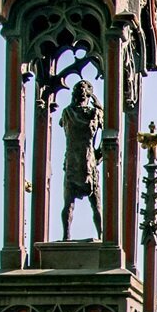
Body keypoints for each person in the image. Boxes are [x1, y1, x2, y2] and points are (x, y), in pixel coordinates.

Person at [60, 79, 104, 240]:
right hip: (87, 160)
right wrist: (100, 153)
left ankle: (66, 236)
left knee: (69, 203)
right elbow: (108, 133)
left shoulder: (67, 112)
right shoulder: (94, 113)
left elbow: (60, 123)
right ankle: (102, 236)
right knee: (96, 204)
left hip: (73, 160)